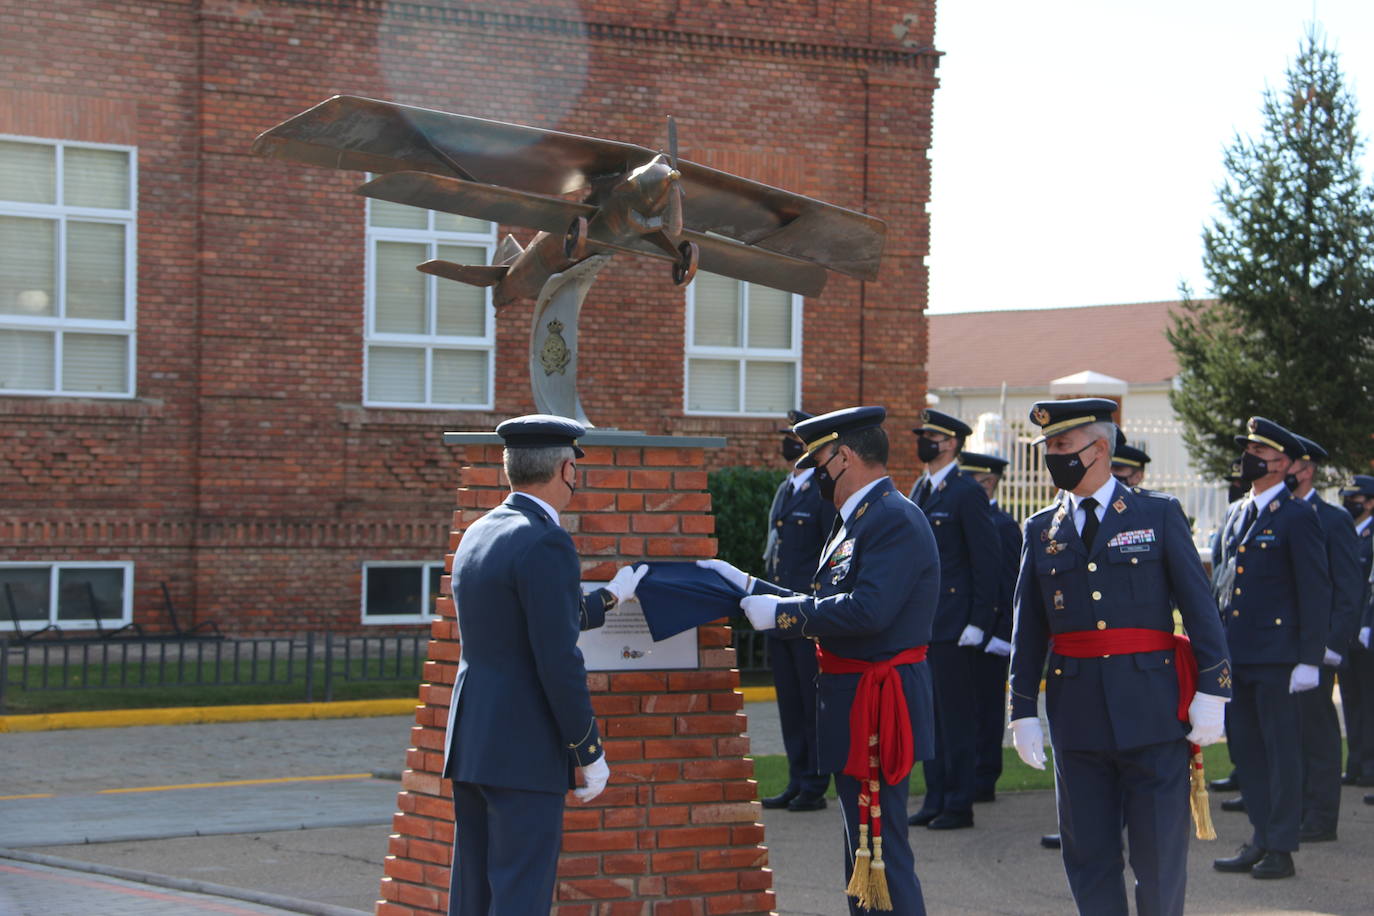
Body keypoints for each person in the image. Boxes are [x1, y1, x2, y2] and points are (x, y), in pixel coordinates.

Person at [699, 406, 939, 915]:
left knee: (881, 853)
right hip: (854, 702)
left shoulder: (891, 518)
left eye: (820, 458)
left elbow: (869, 609)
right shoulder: (859, 518)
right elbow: (826, 595)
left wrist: (784, 616)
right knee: (862, 852)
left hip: (878, 703)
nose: (815, 470)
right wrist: (750, 587)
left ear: (844, 456)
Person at [1008, 398, 1231, 915]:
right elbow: (1029, 627)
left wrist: (1213, 691)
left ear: (1099, 448)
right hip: (1077, 715)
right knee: (1088, 856)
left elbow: (1200, 610)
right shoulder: (1041, 529)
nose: (1052, 457)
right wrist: (1021, 710)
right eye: (1049, 448)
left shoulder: (1157, 514)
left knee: (1158, 859)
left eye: (1061, 446)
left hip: (1152, 713)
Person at [442, 415, 647, 916]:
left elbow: (529, 622)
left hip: (474, 741)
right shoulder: (546, 541)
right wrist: (589, 751)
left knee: (474, 895)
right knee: (520, 895)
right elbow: (556, 658)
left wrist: (609, 598)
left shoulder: (478, 530)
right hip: (524, 749)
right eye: (575, 465)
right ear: (564, 469)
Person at [1211, 417, 1329, 880]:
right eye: (1248, 449)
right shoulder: (1239, 511)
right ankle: (1259, 836)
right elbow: (1223, 582)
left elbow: (1315, 591)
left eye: (1259, 451)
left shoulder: (1298, 516)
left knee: (1281, 754)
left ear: (1281, 464)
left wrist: (1309, 659)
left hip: (1279, 658)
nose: (1248, 458)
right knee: (1247, 752)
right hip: (1237, 654)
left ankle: (1281, 847)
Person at [907, 409, 999, 830]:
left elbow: (987, 562)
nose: (924, 441)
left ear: (951, 444)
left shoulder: (965, 492)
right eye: (922, 435)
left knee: (957, 720)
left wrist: (979, 621)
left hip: (956, 626)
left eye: (931, 436)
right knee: (929, 719)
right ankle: (935, 797)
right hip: (925, 624)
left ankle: (959, 803)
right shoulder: (921, 490)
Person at [760, 409, 836, 812]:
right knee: (789, 702)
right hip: (780, 612)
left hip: (807, 614)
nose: (787, 443)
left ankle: (814, 783)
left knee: (811, 702)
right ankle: (795, 777)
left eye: (794, 437)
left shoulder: (822, 492)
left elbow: (831, 555)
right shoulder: (786, 490)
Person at [1287, 435, 1360, 843]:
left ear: (1307, 468)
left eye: (1289, 464)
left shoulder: (1332, 519)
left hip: (1316, 648)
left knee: (1316, 733)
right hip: (1281, 648)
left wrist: (1332, 644)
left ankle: (1320, 816)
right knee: (1286, 734)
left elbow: (1347, 589)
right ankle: (1293, 809)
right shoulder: (1275, 514)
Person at [956, 451, 1020, 803]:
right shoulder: (966, 516)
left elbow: (1010, 585)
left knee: (986, 709)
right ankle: (967, 774)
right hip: (964, 629)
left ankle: (984, 776)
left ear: (989, 482)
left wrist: (1002, 634)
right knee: (963, 710)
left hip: (991, 633)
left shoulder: (1004, 525)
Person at [1338, 475, 1374, 788]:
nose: (1351, 503)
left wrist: (1366, 624)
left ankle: (1370, 765)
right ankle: (1357, 763)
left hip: (1368, 631)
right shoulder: (1348, 533)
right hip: (1346, 632)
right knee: (1351, 697)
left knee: (1369, 698)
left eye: (1357, 498)